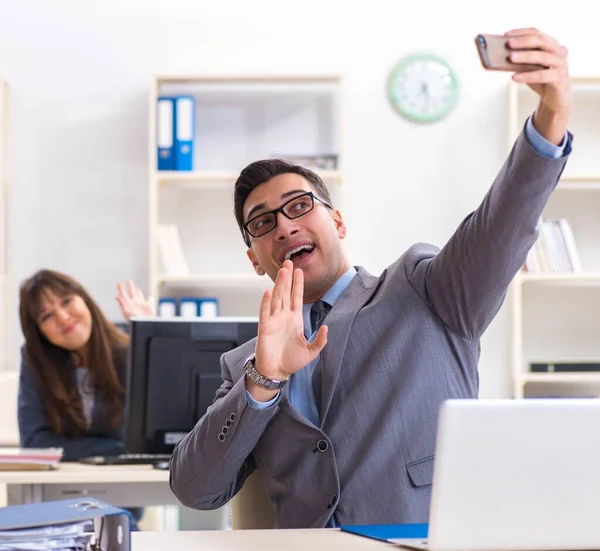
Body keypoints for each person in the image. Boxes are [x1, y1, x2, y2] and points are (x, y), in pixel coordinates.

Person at [169, 28, 572, 528]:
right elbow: (195, 490)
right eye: (262, 223)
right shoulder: (243, 365)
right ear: (255, 260)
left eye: (299, 206)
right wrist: (265, 379)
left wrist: (549, 123)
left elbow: (499, 229)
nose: (286, 225)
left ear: (336, 223)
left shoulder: (424, 291)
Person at [17, 270, 152, 527]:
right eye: (47, 316)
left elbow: (144, 441)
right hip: (56, 502)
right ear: (39, 332)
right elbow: (34, 443)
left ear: (84, 299)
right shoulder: (34, 360)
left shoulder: (129, 350)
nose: (63, 317)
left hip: (118, 502)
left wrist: (147, 335)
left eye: (66, 301)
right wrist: (114, 449)